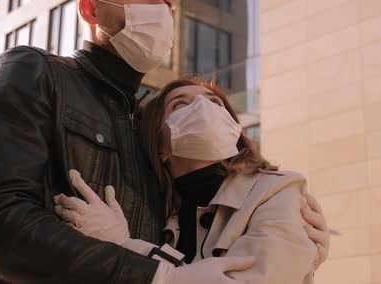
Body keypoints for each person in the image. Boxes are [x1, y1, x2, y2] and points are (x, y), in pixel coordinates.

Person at [0, 0, 329, 283]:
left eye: (168, 1)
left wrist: (291, 245)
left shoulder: (142, 123)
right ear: (91, 10)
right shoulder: (35, 72)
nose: (161, 11)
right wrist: (154, 276)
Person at [54, 78, 320, 283]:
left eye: (215, 102)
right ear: (158, 145)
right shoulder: (159, 217)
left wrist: (126, 247)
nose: (204, 108)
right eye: (180, 104)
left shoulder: (279, 188)